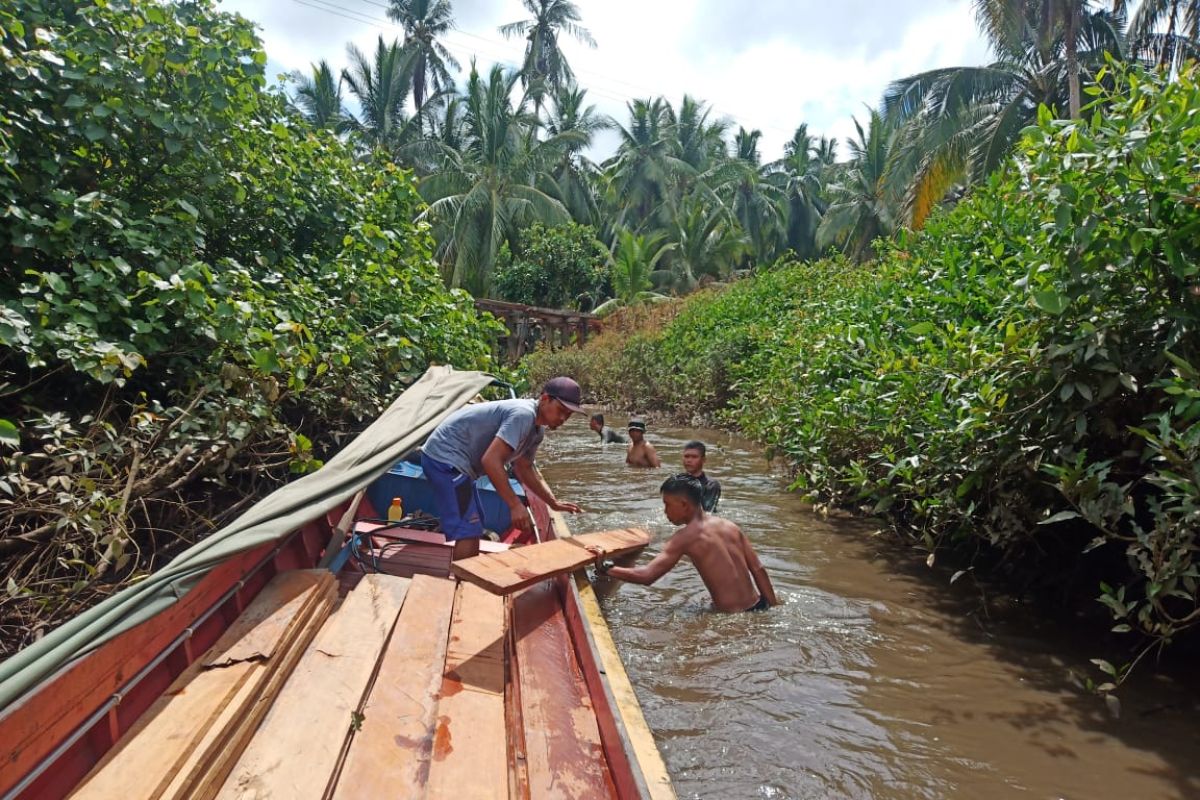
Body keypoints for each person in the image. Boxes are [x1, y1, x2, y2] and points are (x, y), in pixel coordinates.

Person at [421, 376, 584, 560]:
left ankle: (466, 581)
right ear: (545, 399)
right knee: (468, 528)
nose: (563, 418)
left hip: (459, 464)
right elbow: (490, 460)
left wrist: (552, 502)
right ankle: (462, 585)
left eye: (568, 415)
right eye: (561, 410)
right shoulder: (523, 415)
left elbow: (524, 469)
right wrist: (515, 505)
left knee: (475, 524)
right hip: (445, 459)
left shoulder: (537, 431)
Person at [595, 474, 778, 613]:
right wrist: (773, 607)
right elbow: (758, 568)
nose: (665, 511)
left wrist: (605, 567)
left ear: (684, 505)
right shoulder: (729, 526)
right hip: (759, 605)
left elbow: (647, 576)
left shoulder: (685, 537)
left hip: (735, 618)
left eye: (667, 504)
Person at [682, 440, 721, 512]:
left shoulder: (711, 485)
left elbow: (707, 511)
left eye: (694, 457)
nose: (689, 460)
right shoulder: (676, 482)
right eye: (686, 456)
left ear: (703, 460)